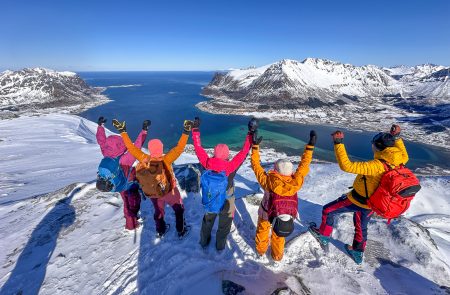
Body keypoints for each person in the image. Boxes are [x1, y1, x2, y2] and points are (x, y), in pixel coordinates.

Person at [309, 124, 409, 264]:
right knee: (361, 226)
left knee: (328, 210)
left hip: (357, 200)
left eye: (374, 145)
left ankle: (323, 235)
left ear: (379, 147)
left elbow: (347, 166)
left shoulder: (376, 166)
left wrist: (338, 143)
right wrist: (396, 137)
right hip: (373, 204)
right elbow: (402, 151)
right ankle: (357, 252)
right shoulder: (401, 160)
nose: (372, 146)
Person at [112, 118, 193, 238]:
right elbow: (179, 148)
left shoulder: (144, 158)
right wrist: (186, 131)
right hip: (169, 190)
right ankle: (181, 230)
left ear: (150, 149)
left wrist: (123, 132)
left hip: (152, 192)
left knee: (159, 211)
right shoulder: (166, 159)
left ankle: (160, 230)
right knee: (178, 209)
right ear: (161, 148)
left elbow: (131, 148)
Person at [251, 130, 316, 261]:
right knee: (279, 236)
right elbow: (304, 166)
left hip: (265, 212)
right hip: (283, 214)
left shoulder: (269, 181)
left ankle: (260, 252)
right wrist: (310, 147)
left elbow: (256, 166)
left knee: (262, 232)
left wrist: (255, 147)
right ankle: (277, 257)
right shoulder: (296, 182)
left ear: (276, 170)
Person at [192, 117, 255, 251]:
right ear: (227, 155)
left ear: (214, 154)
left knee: (208, 221)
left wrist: (195, 130)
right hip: (227, 199)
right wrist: (250, 133)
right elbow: (244, 152)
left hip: (210, 197)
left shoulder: (207, 163)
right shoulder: (231, 166)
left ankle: (203, 242)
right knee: (224, 225)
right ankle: (220, 246)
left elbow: (198, 148)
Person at [96, 116, 149, 230]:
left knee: (127, 202)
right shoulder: (124, 159)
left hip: (115, 183)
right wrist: (144, 131)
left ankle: (132, 218)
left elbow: (101, 140)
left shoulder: (106, 153)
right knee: (129, 204)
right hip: (125, 185)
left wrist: (100, 126)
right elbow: (137, 147)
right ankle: (131, 225)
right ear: (121, 146)